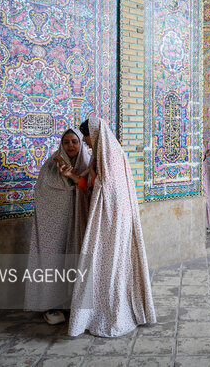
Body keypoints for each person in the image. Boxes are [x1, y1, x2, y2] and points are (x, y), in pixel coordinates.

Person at [68, 117, 156, 337]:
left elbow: (108, 188)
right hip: (110, 218)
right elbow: (94, 184)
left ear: (95, 134)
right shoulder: (104, 153)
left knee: (109, 264)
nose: (84, 141)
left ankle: (111, 313)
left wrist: (93, 178)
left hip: (112, 220)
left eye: (86, 136)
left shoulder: (110, 155)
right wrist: (74, 176)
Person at [24, 129, 91, 325]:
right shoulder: (51, 166)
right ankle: (51, 304)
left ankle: (75, 304)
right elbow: (43, 192)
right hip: (55, 225)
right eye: (66, 142)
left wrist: (74, 180)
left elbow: (94, 189)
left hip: (80, 222)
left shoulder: (88, 165)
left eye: (74, 141)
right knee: (53, 259)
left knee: (78, 258)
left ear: (81, 143)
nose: (70, 145)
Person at [203, 147, 210, 232]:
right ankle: (205, 224)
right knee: (205, 196)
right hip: (200, 174)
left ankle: (207, 224)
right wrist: (206, 155)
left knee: (206, 197)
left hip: (203, 173)